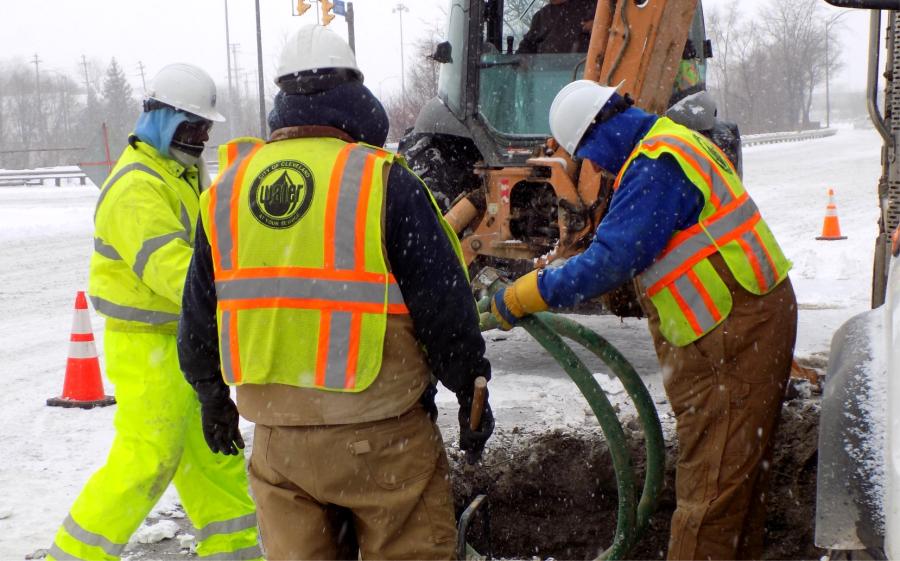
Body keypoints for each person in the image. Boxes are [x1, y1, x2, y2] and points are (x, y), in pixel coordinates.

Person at [177, 25, 494, 560]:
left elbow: (198, 316)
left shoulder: (227, 191)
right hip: (381, 438)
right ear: (354, 97)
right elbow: (444, 308)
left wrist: (212, 396)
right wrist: (470, 387)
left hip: (280, 448)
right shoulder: (384, 182)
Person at [491, 80, 796, 561]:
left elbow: (613, 258)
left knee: (710, 494)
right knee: (736, 485)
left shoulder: (655, 165)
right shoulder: (674, 142)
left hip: (733, 337)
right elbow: (663, 252)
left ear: (599, 132)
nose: (595, 167)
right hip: (742, 324)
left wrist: (529, 292)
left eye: (589, 155)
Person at [47, 64, 262, 561]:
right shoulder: (138, 187)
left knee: (215, 457)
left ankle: (237, 553)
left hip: (183, 340)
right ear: (162, 119)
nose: (202, 137)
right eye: (193, 127)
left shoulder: (180, 174)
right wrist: (245, 297)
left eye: (206, 128)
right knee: (147, 460)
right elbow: (177, 273)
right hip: (148, 346)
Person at [517, 0, 597, 54]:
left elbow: (607, 32)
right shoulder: (541, 16)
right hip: (547, 74)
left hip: (584, 73)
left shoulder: (597, 7)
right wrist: (522, 60)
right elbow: (526, 47)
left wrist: (598, 27)